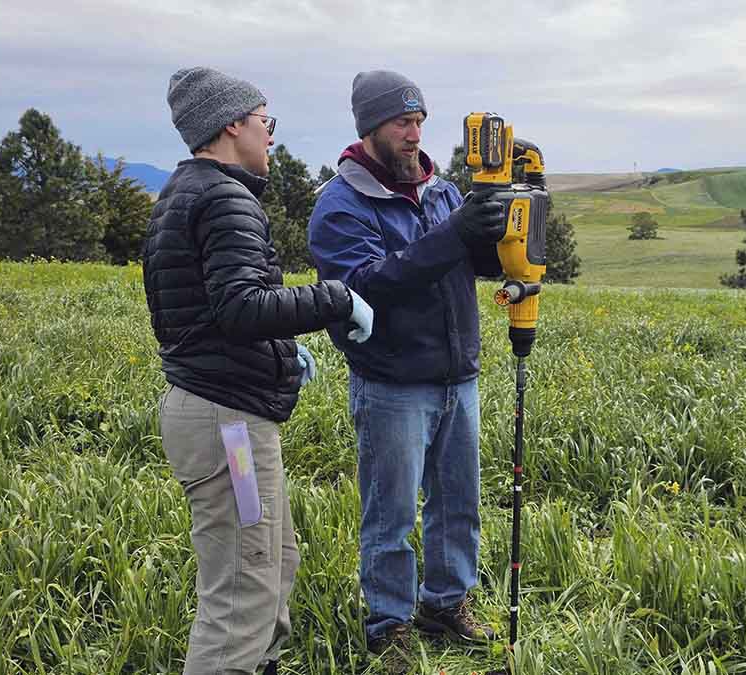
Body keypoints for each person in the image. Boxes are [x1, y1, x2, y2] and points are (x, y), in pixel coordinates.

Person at [142, 66, 374, 675]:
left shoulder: (181, 193)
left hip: (223, 410)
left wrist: (277, 349)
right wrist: (337, 298)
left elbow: (201, 312)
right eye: (265, 122)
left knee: (273, 562)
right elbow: (242, 306)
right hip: (230, 428)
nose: (271, 136)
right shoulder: (223, 197)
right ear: (232, 125)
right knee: (244, 587)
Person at [308, 70, 506, 670]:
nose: (414, 133)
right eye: (402, 122)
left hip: (457, 374)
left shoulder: (442, 191)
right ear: (370, 127)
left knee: (457, 504)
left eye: (419, 121)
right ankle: (388, 622)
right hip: (392, 383)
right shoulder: (339, 204)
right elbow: (370, 286)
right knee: (390, 513)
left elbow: (476, 264)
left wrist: (507, 225)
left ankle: (446, 603)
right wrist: (454, 235)